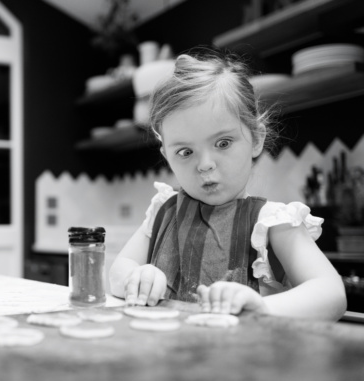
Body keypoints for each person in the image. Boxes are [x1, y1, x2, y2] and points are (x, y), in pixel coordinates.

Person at [109, 48, 347, 321]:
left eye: (223, 143)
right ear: (167, 157)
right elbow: (118, 270)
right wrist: (136, 277)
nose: (205, 164)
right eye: (185, 152)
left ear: (256, 139)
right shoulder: (163, 211)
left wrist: (263, 308)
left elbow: (332, 294)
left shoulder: (272, 223)